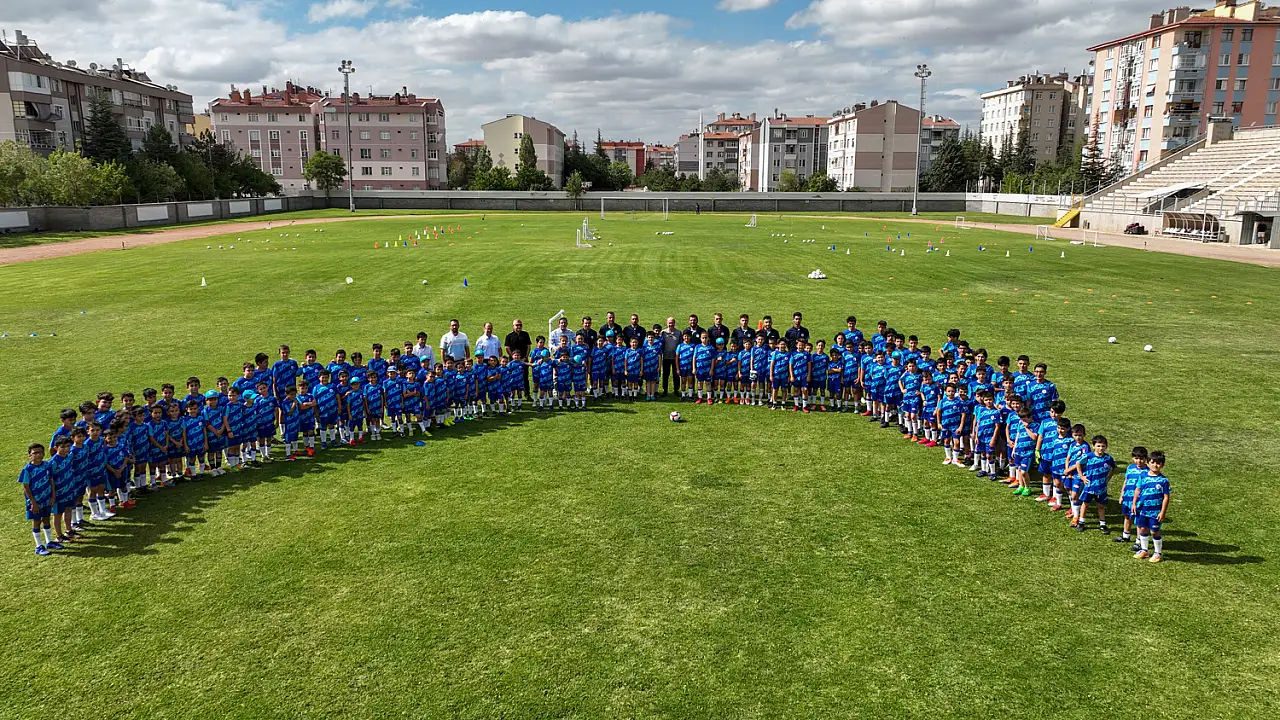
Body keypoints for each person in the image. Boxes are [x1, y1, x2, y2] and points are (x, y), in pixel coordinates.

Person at [19, 443, 59, 556]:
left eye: (40, 452)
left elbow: (51, 480)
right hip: (35, 501)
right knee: (37, 521)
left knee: (46, 519)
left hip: (46, 499)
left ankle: (49, 542)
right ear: (30, 455)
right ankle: (38, 546)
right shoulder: (27, 470)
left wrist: (53, 496)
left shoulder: (47, 465)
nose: (38, 455)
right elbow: (26, 487)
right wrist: (33, 502)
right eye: (35, 453)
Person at [1133, 450, 1171, 563]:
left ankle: (1158, 553)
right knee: (1142, 528)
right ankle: (1144, 550)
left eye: (1158, 463)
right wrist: (1134, 504)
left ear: (1162, 465)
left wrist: (1163, 512)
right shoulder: (1142, 476)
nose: (1155, 465)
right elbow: (1137, 490)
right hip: (1142, 509)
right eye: (1152, 462)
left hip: (1155, 512)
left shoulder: (1164, 481)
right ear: (1148, 463)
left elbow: (1166, 497)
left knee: (1154, 531)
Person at [1074, 435, 1116, 534]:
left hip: (1101, 487)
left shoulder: (1108, 458)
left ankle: (1102, 524)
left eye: (1103, 446)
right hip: (1089, 486)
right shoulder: (1088, 456)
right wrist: (1082, 476)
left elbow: (1113, 467)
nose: (1100, 448)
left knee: (1101, 506)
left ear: (1106, 447)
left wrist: (1108, 478)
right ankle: (1081, 522)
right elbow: (1078, 463)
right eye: (1098, 446)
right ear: (1093, 446)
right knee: (1085, 504)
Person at [1117, 446, 1149, 547]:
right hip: (1128, 498)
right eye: (1136, 458)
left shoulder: (1148, 471)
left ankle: (1139, 541)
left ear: (1146, 459)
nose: (1139, 461)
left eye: (1141, 459)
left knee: (1138, 520)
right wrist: (1122, 495)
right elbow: (1126, 481)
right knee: (1127, 516)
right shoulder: (1130, 468)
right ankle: (1125, 535)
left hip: (1139, 500)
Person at [504, 319, 533, 397]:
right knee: (512, 377)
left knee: (525, 377)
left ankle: (527, 394)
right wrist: (514, 358)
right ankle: (511, 395)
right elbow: (507, 347)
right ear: (513, 326)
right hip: (513, 361)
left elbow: (528, 346)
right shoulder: (509, 336)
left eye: (520, 325)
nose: (519, 326)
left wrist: (525, 357)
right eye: (517, 325)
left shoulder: (525, 335)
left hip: (523, 359)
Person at [660, 317, 682, 396]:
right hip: (666, 356)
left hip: (675, 357)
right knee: (666, 374)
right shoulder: (663, 333)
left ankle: (676, 390)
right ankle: (665, 390)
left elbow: (681, 344)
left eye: (672, 323)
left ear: (674, 323)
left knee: (676, 374)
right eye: (669, 323)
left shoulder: (678, 333)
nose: (671, 324)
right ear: (667, 323)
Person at [693, 332, 715, 404]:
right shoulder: (697, 347)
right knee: (700, 383)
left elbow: (713, 359)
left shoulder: (711, 348)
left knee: (708, 383)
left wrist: (711, 369)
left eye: (706, 338)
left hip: (708, 369)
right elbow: (694, 357)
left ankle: (709, 398)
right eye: (703, 338)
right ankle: (700, 397)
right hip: (699, 369)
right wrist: (694, 368)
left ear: (708, 338)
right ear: (700, 338)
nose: (704, 339)